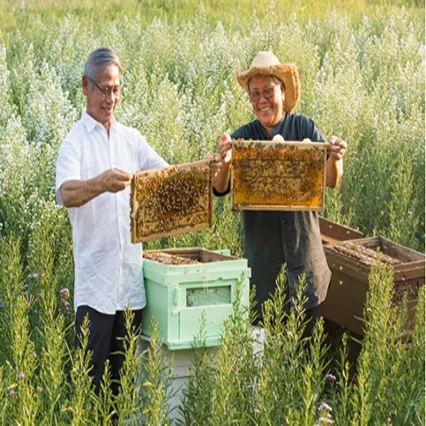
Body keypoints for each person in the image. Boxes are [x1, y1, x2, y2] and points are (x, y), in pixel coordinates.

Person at [55, 47, 168, 395]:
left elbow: (167, 175)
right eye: (104, 89)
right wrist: (101, 183)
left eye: (116, 89)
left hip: (131, 290)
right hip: (95, 291)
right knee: (90, 392)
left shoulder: (131, 139)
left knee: (123, 392)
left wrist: (207, 166)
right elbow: (65, 193)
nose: (111, 98)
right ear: (85, 86)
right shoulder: (74, 143)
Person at [212, 51, 347, 333]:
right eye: (255, 94)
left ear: (283, 92)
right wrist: (225, 161)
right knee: (265, 354)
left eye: (268, 91)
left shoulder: (304, 127)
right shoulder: (242, 137)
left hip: (306, 267)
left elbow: (332, 180)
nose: (262, 100)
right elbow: (220, 187)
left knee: (307, 354)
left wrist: (335, 157)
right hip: (264, 273)